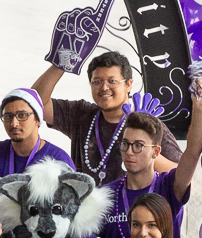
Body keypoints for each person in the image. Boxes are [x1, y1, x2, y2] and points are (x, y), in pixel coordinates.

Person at [32, 46, 171, 180]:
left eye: (112, 81)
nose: (104, 88)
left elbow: (181, 177)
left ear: (128, 85)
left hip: (128, 203)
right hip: (84, 201)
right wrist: (61, 64)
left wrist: (144, 142)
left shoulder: (149, 124)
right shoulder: (81, 114)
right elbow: (35, 102)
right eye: (97, 82)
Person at [98, 91, 202, 238]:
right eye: (125, 144)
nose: (130, 152)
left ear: (156, 152)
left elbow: (192, 152)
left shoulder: (169, 186)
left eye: (138, 146)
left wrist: (200, 107)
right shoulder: (104, 195)